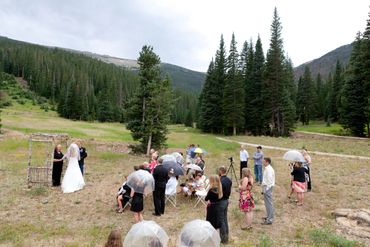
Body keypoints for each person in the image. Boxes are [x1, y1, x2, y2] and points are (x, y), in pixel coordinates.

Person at [218, 166, 232, 244]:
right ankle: (227, 234)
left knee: (221, 220)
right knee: (225, 219)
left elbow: (219, 192)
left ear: (220, 171)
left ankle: (224, 239)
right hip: (226, 200)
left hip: (221, 201)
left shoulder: (220, 180)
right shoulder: (229, 180)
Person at [261, 157, 275, 225]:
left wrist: (266, 189)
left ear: (267, 162)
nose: (262, 162)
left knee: (269, 203)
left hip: (267, 188)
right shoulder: (267, 168)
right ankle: (268, 216)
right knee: (267, 203)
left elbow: (269, 181)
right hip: (266, 187)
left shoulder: (269, 170)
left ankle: (270, 219)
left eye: (264, 161)